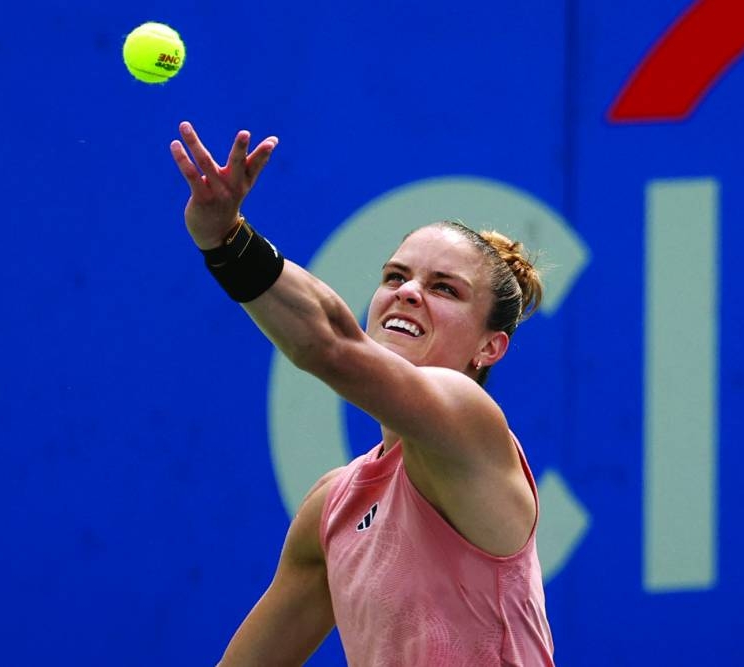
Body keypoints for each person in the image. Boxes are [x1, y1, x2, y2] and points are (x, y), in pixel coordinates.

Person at [170, 121, 555, 666]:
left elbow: (328, 345)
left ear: (489, 349)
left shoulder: (471, 425)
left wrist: (227, 242)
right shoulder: (333, 506)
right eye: (396, 277)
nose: (410, 293)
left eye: (445, 288)